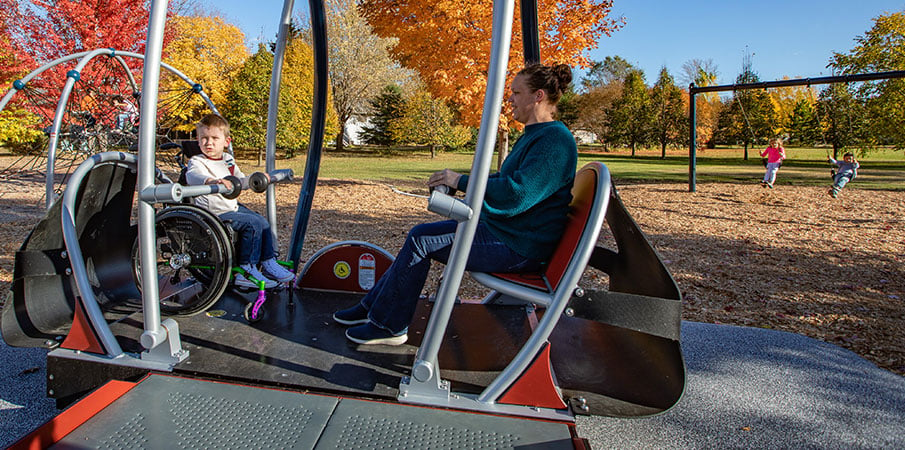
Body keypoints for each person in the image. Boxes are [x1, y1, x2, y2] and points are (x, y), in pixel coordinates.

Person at [332, 63, 578, 346]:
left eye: (516, 92)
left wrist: (461, 181)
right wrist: (462, 185)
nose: (510, 99)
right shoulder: (535, 136)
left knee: (421, 240)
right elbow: (507, 181)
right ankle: (372, 309)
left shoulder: (555, 142)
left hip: (519, 246)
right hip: (507, 232)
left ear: (538, 96)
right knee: (421, 236)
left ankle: (389, 326)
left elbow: (517, 194)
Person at [184, 113, 294, 288]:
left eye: (214, 138)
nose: (209, 143)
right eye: (204, 138)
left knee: (262, 221)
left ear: (226, 141)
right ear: (198, 140)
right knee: (252, 224)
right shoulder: (198, 161)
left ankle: (268, 261)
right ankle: (246, 268)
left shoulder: (228, 160)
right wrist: (211, 181)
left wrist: (258, 179)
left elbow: (240, 181)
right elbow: (193, 177)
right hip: (213, 213)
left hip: (229, 207)